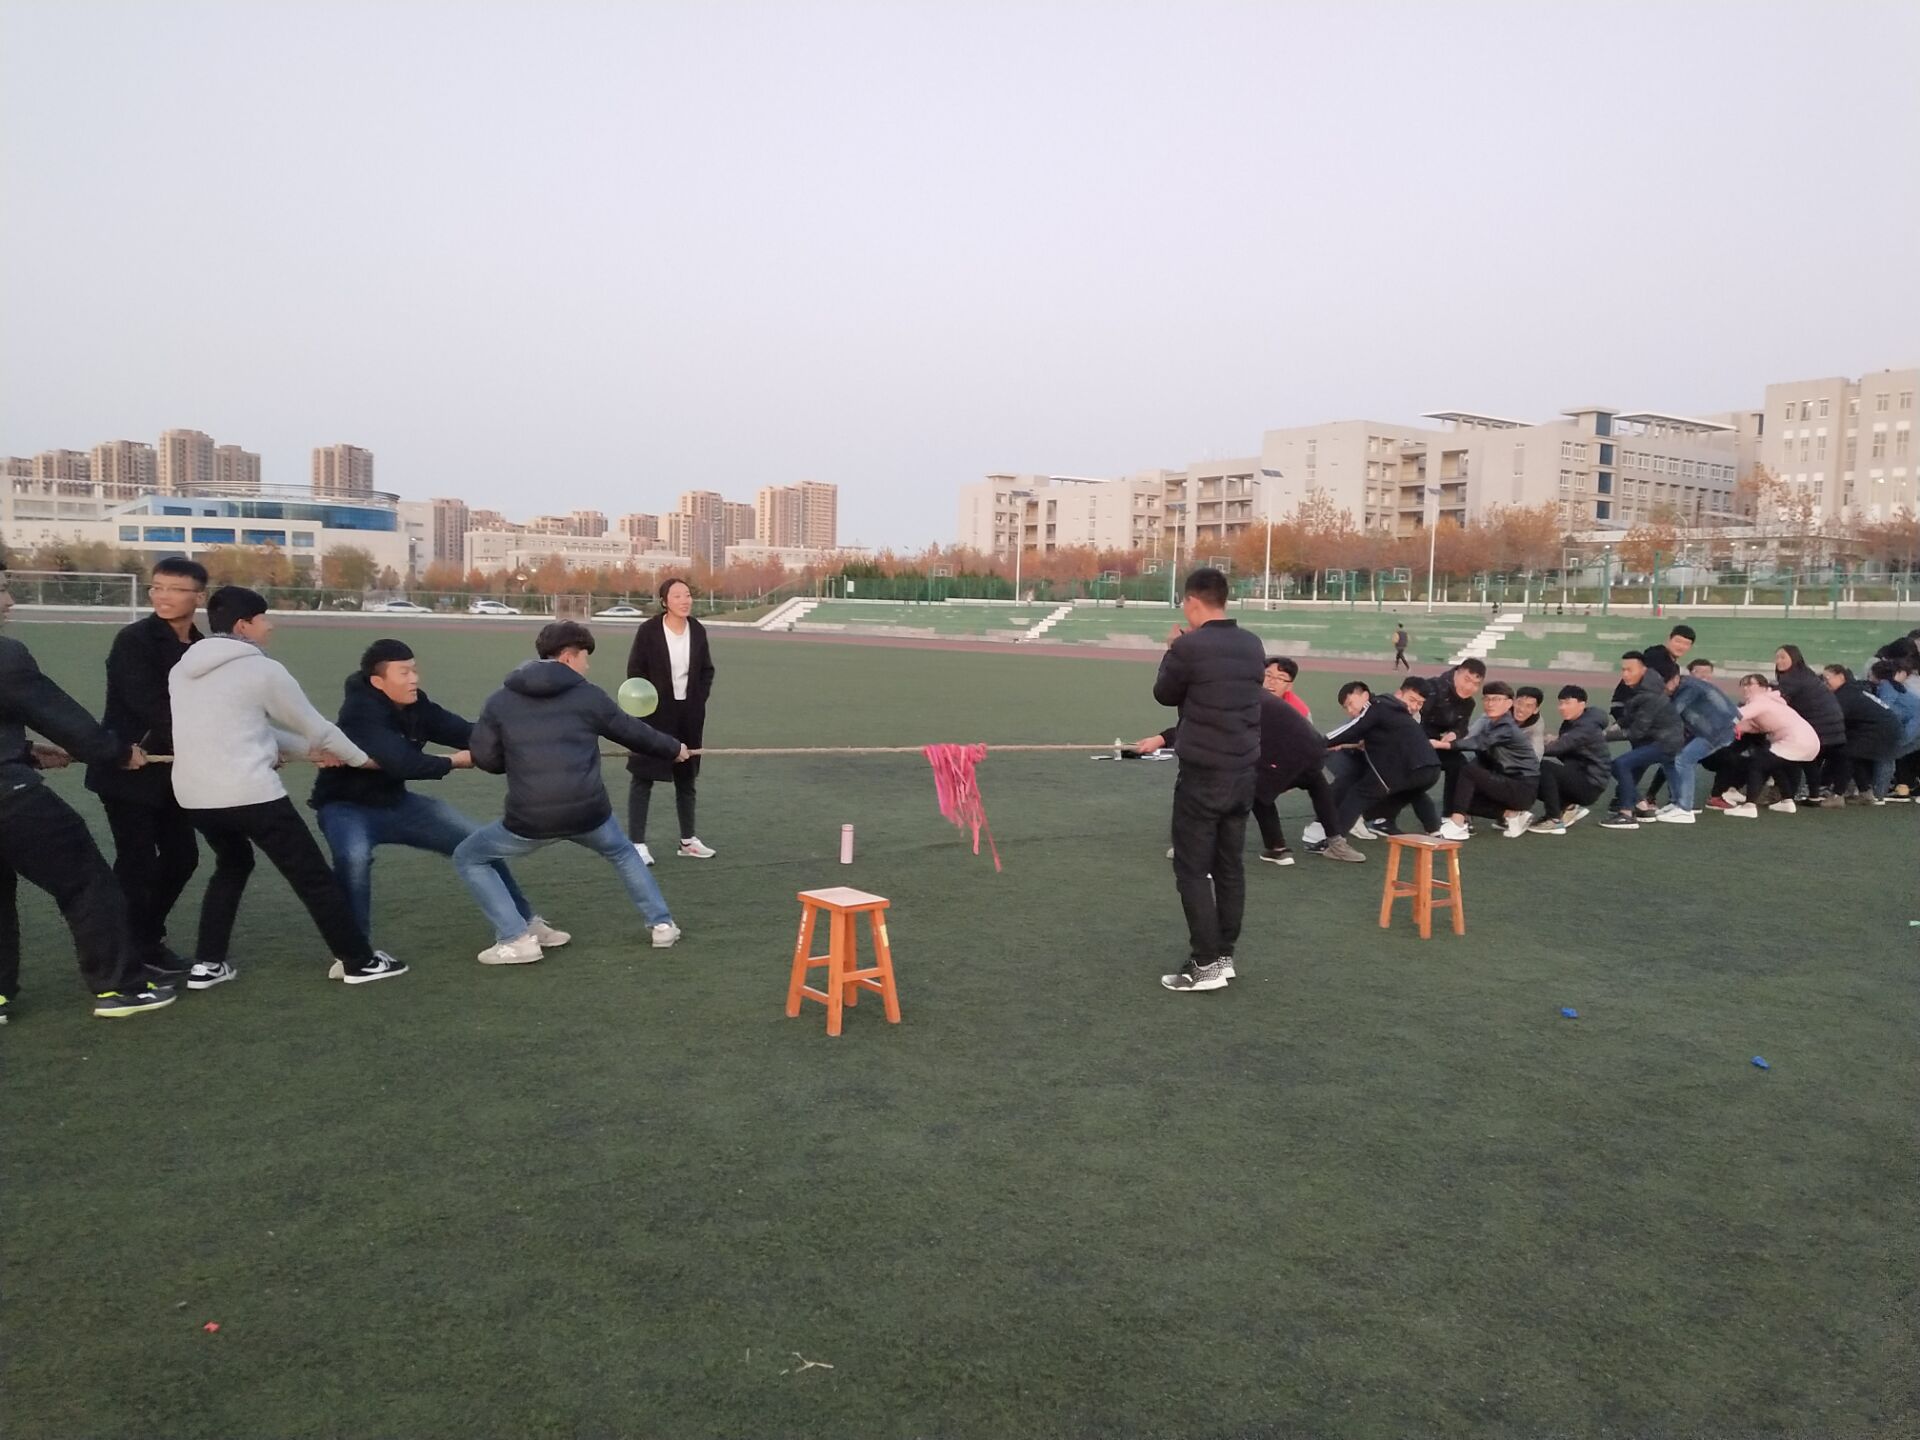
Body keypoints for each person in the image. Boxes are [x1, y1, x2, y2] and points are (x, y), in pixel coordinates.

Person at [169, 586, 406, 988]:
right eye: (263, 618)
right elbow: (317, 728)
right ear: (243, 626)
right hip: (251, 794)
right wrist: (361, 760)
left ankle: (208, 964)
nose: (270, 625)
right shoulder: (263, 670)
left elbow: (246, 731)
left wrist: (309, 752)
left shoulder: (181, 670)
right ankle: (359, 962)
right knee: (312, 876)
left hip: (195, 798)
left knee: (233, 863)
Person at [312, 639, 567, 961]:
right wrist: (454, 762)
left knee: (479, 844)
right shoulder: (360, 713)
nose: (414, 679)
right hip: (345, 808)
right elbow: (403, 762)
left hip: (397, 803)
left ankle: (526, 924)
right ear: (378, 681)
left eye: (414, 670)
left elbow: (463, 731)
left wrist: (520, 739)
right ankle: (353, 955)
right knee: (354, 860)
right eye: (404, 673)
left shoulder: (415, 704)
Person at [454, 621, 689, 962]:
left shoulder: (499, 701)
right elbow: (632, 732)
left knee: (469, 856)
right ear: (567, 657)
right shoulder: (589, 696)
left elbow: (487, 759)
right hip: (588, 813)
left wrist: (521, 758)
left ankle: (517, 937)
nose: (587, 666)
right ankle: (662, 926)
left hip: (529, 818)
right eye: (584, 657)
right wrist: (674, 749)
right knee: (623, 853)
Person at [0, 570, 175, 1020]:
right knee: (86, 881)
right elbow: (58, 716)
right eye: (1, 590)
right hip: (9, 798)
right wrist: (116, 753)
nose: (10, 600)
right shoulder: (6, 654)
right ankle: (119, 988)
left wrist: (23, 751)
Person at [84, 556, 206, 981]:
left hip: (175, 773)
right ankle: (128, 948)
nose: (163, 596)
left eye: (175, 589)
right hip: (129, 769)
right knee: (137, 863)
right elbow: (151, 705)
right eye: (157, 587)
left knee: (183, 858)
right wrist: (212, 744)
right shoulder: (134, 640)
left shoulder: (202, 646)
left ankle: (144, 937)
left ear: (199, 596)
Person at [1151, 568, 1264, 994]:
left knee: (1193, 869)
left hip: (1203, 774)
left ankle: (1205, 964)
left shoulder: (1189, 646)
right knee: (1229, 865)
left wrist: (1172, 648)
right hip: (1243, 771)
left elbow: (1164, 693)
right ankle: (1223, 955)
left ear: (1192, 602)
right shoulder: (1252, 644)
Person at [1136, 657, 1357, 865]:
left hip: (1287, 758)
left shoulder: (1238, 698)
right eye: (1268, 675)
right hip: (1310, 755)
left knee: (1239, 791)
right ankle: (1308, 846)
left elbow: (1202, 726)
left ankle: (1199, 848)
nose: (1272, 682)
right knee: (1296, 786)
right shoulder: (1254, 695)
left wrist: (1160, 739)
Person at [624, 576, 716, 864]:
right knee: (643, 777)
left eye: (687, 595)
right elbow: (635, 670)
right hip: (654, 715)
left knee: (686, 779)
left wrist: (697, 699)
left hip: (689, 715)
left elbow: (706, 670)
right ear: (665, 601)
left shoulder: (697, 630)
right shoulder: (649, 631)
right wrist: (646, 703)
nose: (684, 600)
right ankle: (637, 844)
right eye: (677, 596)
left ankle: (688, 841)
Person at [1323, 680, 1444, 840]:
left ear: (1365, 695)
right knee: (1412, 793)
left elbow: (1353, 730)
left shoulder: (1376, 706)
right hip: (1431, 769)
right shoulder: (1397, 711)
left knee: (1358, 794)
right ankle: (1433, 831)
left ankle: (1335, 841)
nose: (1350, 710)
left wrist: (1318, 742)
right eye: (1347, 708)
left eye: (1351, 704)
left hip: (1403, 768)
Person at [1432, 680, 1539, 839]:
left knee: (1469, 771)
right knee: (1463, 796)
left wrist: (1443, 744)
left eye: (1496, 699)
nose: (1490, 704)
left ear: (1509, 703)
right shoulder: (1491, 723)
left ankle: (1458, 824)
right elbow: (1475, 742)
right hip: (1506, 783)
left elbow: (1479, 742)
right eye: (1487, 699)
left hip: (1522, 787)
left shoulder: (1507, 728)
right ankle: (1512, 815)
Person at [1597, 650, 1684, 829]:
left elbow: (1637, 732)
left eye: (1630, 670)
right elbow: (1629, 717)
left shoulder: (1649, 694)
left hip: (1665, 742)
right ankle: (1641, 806)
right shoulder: (1642, 689)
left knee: (1620, 764)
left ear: (1643, 670)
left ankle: (1626, 815)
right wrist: (1607, 731)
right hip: (1661, 739)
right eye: (1623, 670)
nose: (1625, 674)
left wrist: (1603, 737)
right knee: (1621, 766)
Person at [1721, 674, 1820, 818]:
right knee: (1773, 764)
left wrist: (1710, 721)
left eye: (1750, 684)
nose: (1746, 688)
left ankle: (1749, 806)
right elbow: (1751, 726)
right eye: (1744, 684)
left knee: (1756, 764)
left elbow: (1736, 716)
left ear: (1763, 687)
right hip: (1809, 741)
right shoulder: (1772, 702)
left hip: (1795, 741)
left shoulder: (1760, 702)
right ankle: (1787, 801)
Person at [1657, 663, 1741, 821]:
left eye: (1663, 684)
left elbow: (1671, 714)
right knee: (1672, 758)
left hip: (1718, 731)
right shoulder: (1684, 686)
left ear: (1675, 678)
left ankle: (1685, 809)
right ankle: (1676, 803)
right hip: (1712, 729)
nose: (1661, 689)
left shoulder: (1689, 688)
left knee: (1684, 760)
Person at [1529, 686, 1612, 833]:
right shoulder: (1573, 722)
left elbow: (1560, 747)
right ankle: (1568, 807)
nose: (1562, 707)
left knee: (1543, 767)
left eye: (1567, 703)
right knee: (1532, 772)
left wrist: (1522, 748)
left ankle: (1554, 819)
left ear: (1582, 704)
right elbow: (1564, 744)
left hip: (1590, 784)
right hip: (1580, 776)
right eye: (1561, 703)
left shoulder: (1586, 727)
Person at [1774, 644, 1846, 803]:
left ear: (1794, 658)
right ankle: (1813, 795)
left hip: (1820, 725)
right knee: (1808, 758)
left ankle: (1788, 795)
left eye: (1783, 657)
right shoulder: (1804, 673)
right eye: (1777, 657)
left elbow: (1777, 700)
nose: (1779, 661)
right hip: (1830, 725)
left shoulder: (1792, 678)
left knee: (1793, 755)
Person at [1821, 664, 1902, 802]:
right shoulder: (1854, 689)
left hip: (1880, 729)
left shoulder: (1844, 696)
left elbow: (1834, 720)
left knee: (1846, 753)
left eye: (1827, 678)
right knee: (1854, 754)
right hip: (1885, 726)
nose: (1824, 682)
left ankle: (1837, 795)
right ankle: (1865, 793)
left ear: (1840, 677)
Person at [1418, 658, 1484, 815]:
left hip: (1438, 745)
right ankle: (1382, 813)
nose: (1469, 687)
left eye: (1476, 684)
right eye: (1466, 679)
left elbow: (1462, 727)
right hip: (1413, 742)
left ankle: (1452, 815)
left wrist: (1454, 733)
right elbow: (1412, 716)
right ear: (1457, 673)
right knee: (1419, 775)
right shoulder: (1432, 688)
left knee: (1460, 765)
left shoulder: (1469, 703)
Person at [1868, 658, 1920, 799]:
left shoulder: (1886, 686)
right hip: (1914, 725)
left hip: (1914, 726)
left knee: (1886, 754)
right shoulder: (1896, 686)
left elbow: (1886, 710)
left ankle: (1879, 793)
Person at [1263, 655, 1312, 721]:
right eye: (1268, 675)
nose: (1272, 682)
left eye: (1280, 679)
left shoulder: (1298, 711)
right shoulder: (1249, 697)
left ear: (1289, 686)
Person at [1512, 686, 1548, 762]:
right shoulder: (1501, 712)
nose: (1521, 709)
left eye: (1528, 706)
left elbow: (1537, 751)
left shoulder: (1537, 724)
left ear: (1536, 710)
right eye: (1519, 703)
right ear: (1514, 702)